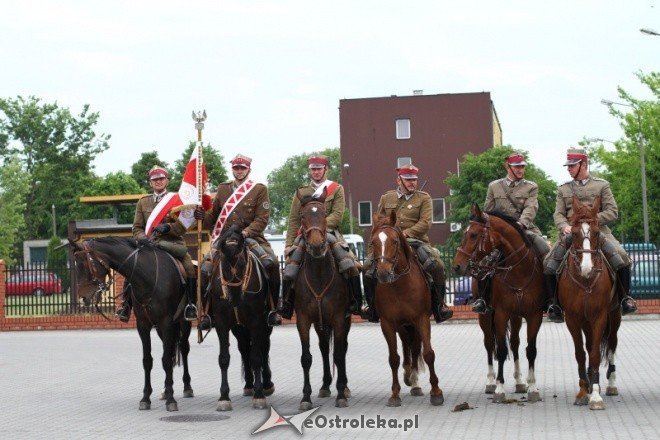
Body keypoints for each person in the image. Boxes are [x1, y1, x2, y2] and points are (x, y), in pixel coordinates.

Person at [543, 148, 637, 322]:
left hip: (598, 232)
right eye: (568, 166)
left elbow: (612, 211)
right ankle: (554, 304)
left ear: (583, 164)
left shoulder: (601, 185)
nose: (569, 169)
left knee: (622, 257)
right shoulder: (563, 188)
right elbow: (558, 214)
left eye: (572, 165)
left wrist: (591, 221)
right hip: (573, 232)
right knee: (549, 262)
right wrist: (564, 226)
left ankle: (625, 299)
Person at [194, 154, 282, 328]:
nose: (239, 171)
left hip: (250, 237)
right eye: (236, 168)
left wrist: (246, 232)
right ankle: (206, 313)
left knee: (271, 263)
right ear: (232, 169)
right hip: (225, 239)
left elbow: (262, 219)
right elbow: (213, 216)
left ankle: (274, 308)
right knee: (205, 268)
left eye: (242, 168)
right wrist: (202, 216)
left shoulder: (259, 189)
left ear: (249, 169)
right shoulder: (223, 189)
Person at [361, 164, 453, 324]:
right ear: (399, 180)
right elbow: (378, 225)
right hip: (388, 242)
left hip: (415, 241)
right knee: (367, 268)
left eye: (414, 180)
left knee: (437, 265)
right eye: (408, 180)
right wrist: (372, 250)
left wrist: (405, 233)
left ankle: (439, 307)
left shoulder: (424, 198)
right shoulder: (386, 198)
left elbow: (425, 223)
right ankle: (372, 308)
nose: (412, 183)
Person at [278, 154, 363, 319]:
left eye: (319, 169)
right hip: (306, 234)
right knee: (289, 266)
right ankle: (286, 305)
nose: (316, 172)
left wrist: (318, 227)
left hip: (330, 232)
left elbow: (337, 215)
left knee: (350, 263)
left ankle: (356, 302)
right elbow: (294, 220)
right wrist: (289, 244)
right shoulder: (302, 192)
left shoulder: (337, 189)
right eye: (313, 169)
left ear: (326, 169)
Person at [471, 152, 552, 314]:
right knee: (484, 261)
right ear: (508, 167)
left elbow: (531, 207)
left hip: (524, 229)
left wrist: (521, 223)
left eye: (522, 166)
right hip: (499, 232)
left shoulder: (531, 186)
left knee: (547, 254)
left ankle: (550, 300)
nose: (521, 170)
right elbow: (488, 211)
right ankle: (482, 299)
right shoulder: (494, 186)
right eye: (517, 167)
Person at [116, 165, 198, 322]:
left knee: (188, 266)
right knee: (131, 268)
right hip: (148, 244)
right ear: (150, 183)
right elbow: (137, 228)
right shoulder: (143, 202)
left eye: (161, 179)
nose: (158, 182)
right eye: (155, 179)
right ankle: (126, 305)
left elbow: (182, 227)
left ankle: (190, 304)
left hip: (172, 242)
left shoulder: (177, 200)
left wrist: (168, 227)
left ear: (167, 180)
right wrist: (143, 238)